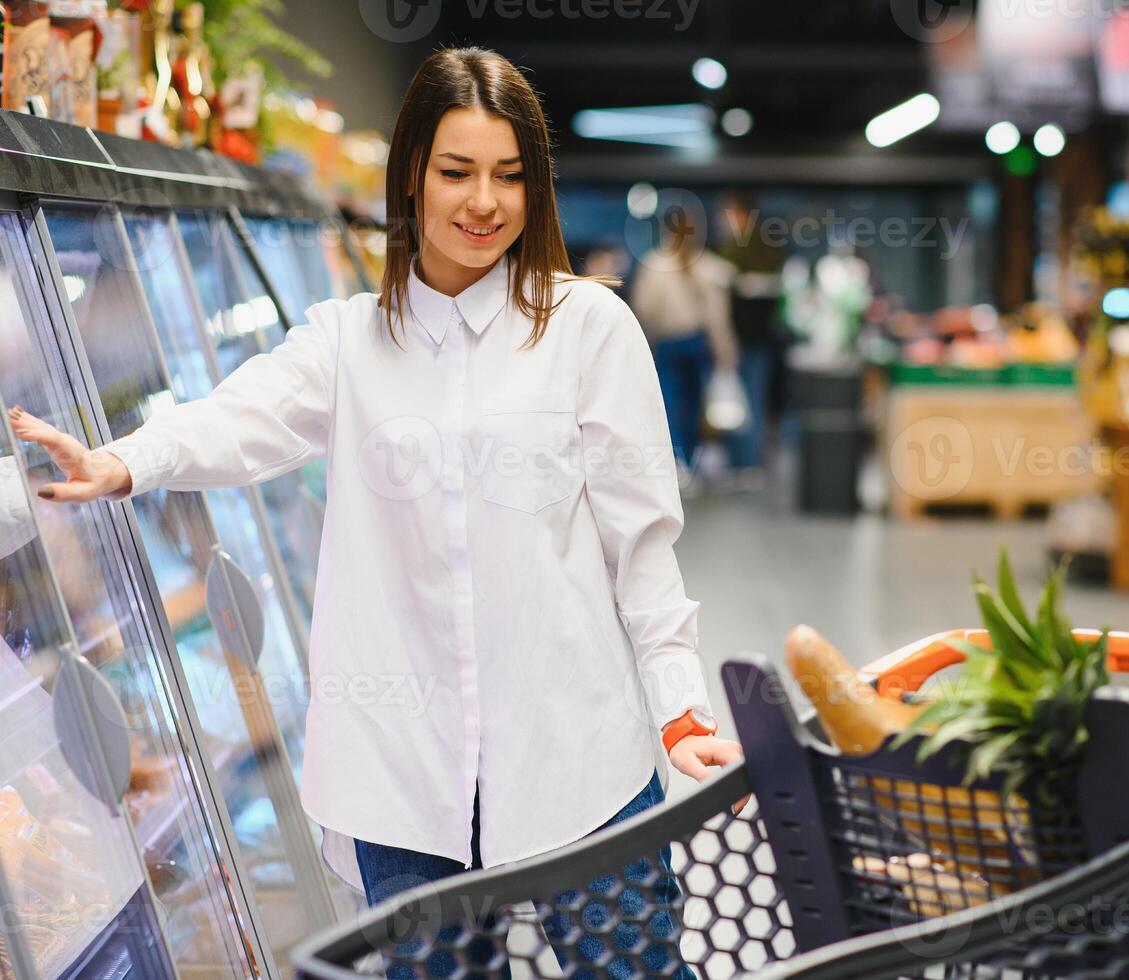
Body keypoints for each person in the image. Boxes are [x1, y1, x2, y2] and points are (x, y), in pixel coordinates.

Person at [8, 46, 738, 979]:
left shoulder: (589, 329)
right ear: (411, 179)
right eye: (457, 172)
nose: (484, 203)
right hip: (406, 778)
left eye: (511, 177)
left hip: (580, 757)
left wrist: (678, 705)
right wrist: (120, 462)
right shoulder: (351, 342)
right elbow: (240, 416)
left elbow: (644, 551)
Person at [629, 203, 738, 489]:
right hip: (697, 345)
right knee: (694, 406)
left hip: (667, 345)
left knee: (668, 406)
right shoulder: (709, 267)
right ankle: (689, 460)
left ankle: (675, 464)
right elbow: (717, 317)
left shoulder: (654, 264)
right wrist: (726, 351)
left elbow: (644, 308)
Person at [713, 192, 787, 490]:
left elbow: (771, 288)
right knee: (733, 402)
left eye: (728, 215)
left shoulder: (760, 248)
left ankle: (749, 464)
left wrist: (742, 284)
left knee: (751, 400)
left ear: (742, 215)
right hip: (736, 338)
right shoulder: (726, 250)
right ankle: (737, 463)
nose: (723, 222)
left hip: (755, 339)